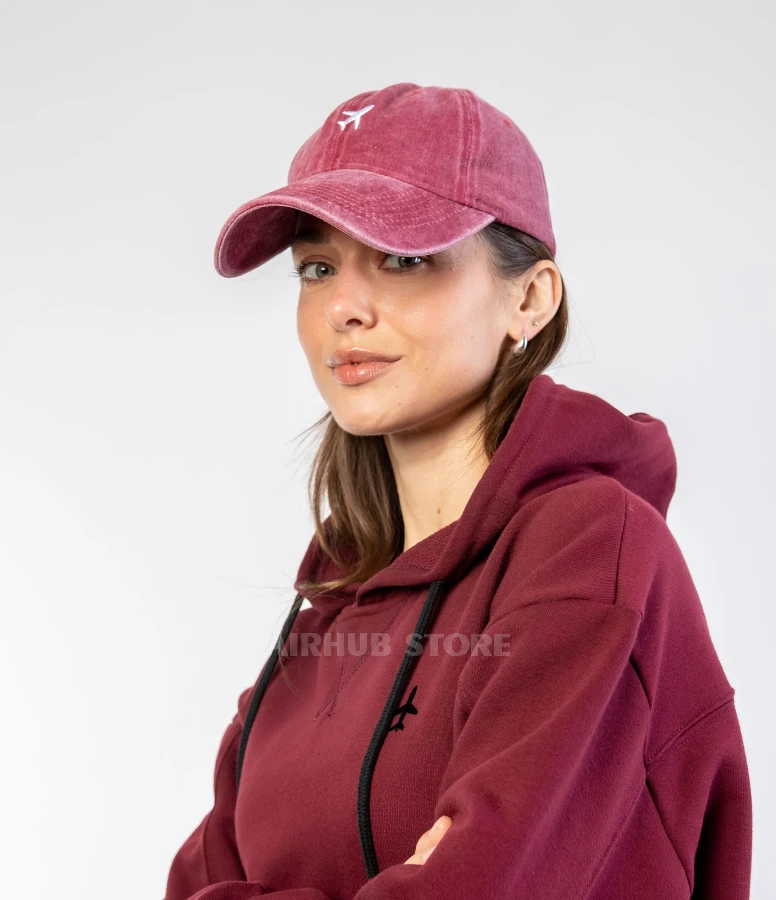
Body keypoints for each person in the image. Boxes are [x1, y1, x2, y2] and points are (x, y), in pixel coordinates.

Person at [162, 83, 752, 900]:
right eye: (317, 267)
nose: (344, 307)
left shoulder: (591, 550)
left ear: (530, 298)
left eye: (403, 258)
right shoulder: (329, 607)